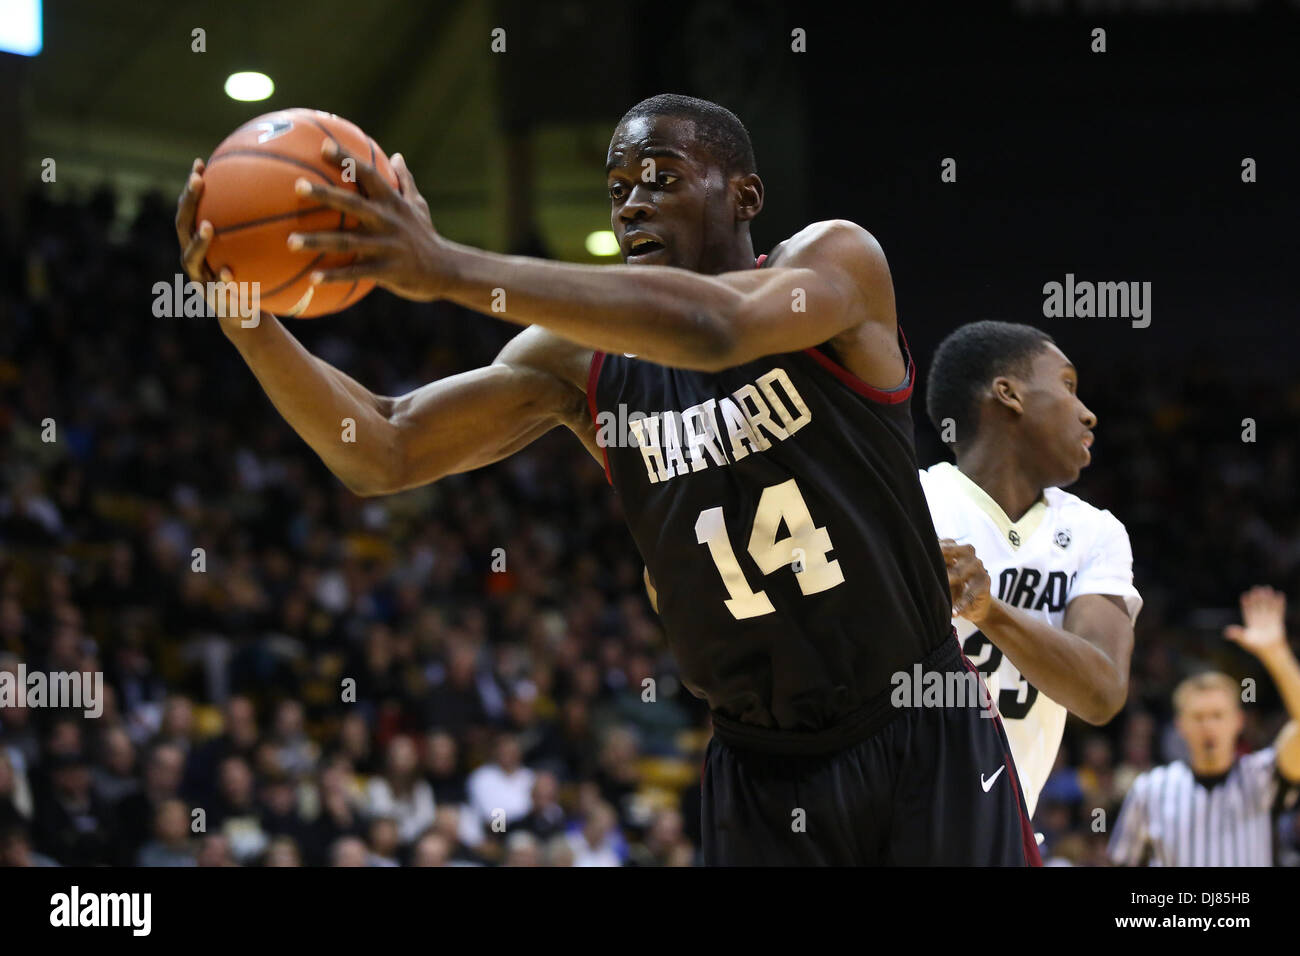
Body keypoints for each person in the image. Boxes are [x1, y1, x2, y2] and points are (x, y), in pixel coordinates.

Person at [176, 93, 1036, 865]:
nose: (631, 201)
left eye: (661, 175)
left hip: (918, 725)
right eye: (617, 185)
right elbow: (382, 448)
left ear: (745, 195)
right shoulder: (579, 361)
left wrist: (449, 269)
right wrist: (245, 316)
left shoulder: (834, 267)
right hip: (759, 764)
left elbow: (718, 328)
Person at [920, 321, 1142, 821]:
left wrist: (988, 612)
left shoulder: (1095, 533)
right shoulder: (911, 506)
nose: (1089, 414)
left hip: (1006, 834)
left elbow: (1102, 693)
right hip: (890, 826)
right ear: (1009, 393)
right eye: (1067, 385)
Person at [1108, 586, 1300, 866]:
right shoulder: (1150, 789)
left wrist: (1276, 653)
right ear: (1180, 725)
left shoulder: (1262, 777)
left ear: (1238, 722)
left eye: (1217, 715)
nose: (1208, 725)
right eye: (1198, 717)